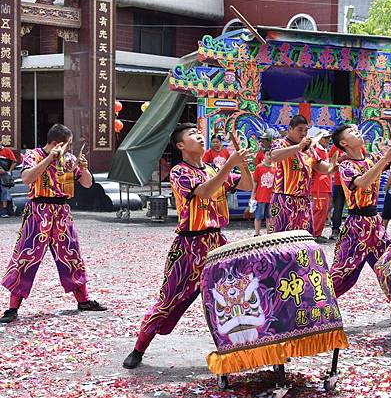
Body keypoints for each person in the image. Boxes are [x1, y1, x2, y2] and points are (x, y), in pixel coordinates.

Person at [123, 123, 252, 369]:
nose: (199, 136)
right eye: (192, 134)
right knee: (168, 299)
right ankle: (139, 348)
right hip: (189, 245)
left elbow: (247, 186)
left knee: (229, 299)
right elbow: (204, 192)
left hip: (217, 243)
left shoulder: (213, 168)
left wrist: (242, 163)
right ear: (180, 145)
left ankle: (236, 349)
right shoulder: (179, 172)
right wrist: (229, 164)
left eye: (199, 133)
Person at [0, 124, 106, 324]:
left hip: (62, 211)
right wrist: (50, 159)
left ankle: (83, 300)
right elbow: (27, 178)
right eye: (69, 145)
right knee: (26, 255)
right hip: (38, 211)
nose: (71, 149)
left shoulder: (70, 160)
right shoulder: (34, 155)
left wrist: (83, 169)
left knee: (71, 254)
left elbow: (87, 183)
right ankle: (12, 307)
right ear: (57, 143)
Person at [329, 124, 391, 296]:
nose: (357, 132)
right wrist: (385, 159)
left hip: (375, 223)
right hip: (357, 226)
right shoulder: (346, 165)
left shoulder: (370, 160)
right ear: (344, 143)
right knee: (341, 272)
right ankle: (317, 307)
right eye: (352, 132)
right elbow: (362, 183)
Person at [269, 115, 333, 234]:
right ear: (290, 129)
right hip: (284, 197)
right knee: (280, 237)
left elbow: (320, 166)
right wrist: (298, 147)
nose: (303, 133)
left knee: (302, 237)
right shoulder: (280, 143)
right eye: (300, 130)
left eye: (306, 130)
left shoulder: (309, 149)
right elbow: (274, 156)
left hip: (304, 200)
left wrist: (334, 165)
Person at [311, 130, 337, 241]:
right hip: (319, 186)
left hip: (325, 185)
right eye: (325, 138)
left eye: (328, 138)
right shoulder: (316, 151)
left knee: (323, 211)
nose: (328, 140)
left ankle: (318, 232)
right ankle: (314, 234)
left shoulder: (323, 151)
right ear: (319, 139)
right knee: (319, 210)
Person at [251, 151, 275, 236]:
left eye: (271, 155)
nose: (269, 157)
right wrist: (253, 195)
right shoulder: (259, 167)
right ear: (264, 155)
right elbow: (255, 181)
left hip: (271, 198)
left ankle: (269, 234)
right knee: (258, 216)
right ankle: (257, 233)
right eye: (268, 154)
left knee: (270, 217)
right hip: (260, 197)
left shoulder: (275, 168)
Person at [329, 144, 345, 240]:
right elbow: (330, 163)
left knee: (356, 207)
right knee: (338, 207)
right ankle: (335, 230)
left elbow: (363, 159)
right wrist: (341, 158)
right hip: (339, 182)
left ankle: (355, 230)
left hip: (354, 182)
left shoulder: (358, 144)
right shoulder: (336, 145)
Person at [0, 143, 17, 218]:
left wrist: (9, 171)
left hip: (5, 176)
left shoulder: (7, 150)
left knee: (5, 191)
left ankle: (4, 210)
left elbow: (14, 161)